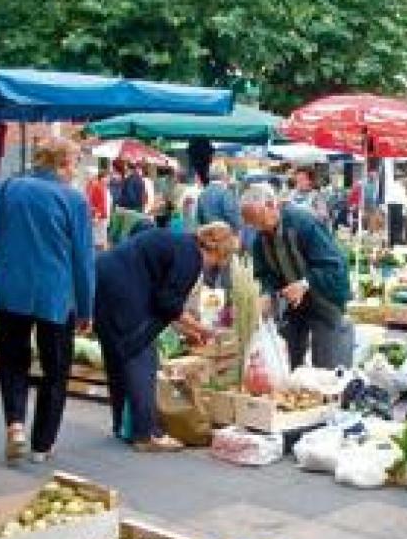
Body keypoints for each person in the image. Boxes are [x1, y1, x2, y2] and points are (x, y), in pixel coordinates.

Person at [0, 137, 95, 464]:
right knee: (55, 369)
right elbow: (83, 259)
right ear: (65, 164)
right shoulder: (74, 200)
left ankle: (15, 424)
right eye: (74, 164)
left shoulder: (8, 188)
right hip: (55, 293)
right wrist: (85, 307)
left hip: (9, 288)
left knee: (12, 360)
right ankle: (43, 444)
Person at [94, 224, 231, 452]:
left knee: (118, 355)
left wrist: (189, 330)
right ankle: (146, 434)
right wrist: (202, 329)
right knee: (141, 354)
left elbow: (165, 302)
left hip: (104, 281)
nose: (213, 267)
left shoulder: (178, 242)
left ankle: (123, 425)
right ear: (217, 252)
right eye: (217, 263)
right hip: (124, 293)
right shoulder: (191, 257)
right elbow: (168, 303)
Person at [241, 183, 353, 369]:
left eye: (258, 220)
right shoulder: (261, 238)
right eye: (252, 224)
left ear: (271, 205)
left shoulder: (304, 222)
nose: (257, 228)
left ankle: (328, 393)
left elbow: (334, 267)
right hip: (293, 305)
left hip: (325, 299)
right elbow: (264, 274)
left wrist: (304, 283)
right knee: (288, 363)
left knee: (327, 367)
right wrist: (267, 293)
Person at [195, 162, 241, 230]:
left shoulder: (202, 194)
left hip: (208, 234)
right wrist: (237, 227)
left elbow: (199, 217)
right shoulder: (226, 193)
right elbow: (231, 214)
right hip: (224, 234)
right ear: (224, 175)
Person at [86, 166, 111, 251]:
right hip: (100, 217)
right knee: (99, 240)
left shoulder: (103, 187)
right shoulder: (98, 187)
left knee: (102, 239)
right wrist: (96, 215)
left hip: (103, 216)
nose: (108, 179)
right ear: (102, 178)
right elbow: (95, 202)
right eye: (107, 178)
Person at [385, 174, 407, 246]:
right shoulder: (402, 188)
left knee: (391, 226)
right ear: (400, 179)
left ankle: (391, 242)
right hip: (399, 207)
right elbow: (404, 199)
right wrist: (405, 210)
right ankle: (397, 242)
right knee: (398, 226)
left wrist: (386, 208)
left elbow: (387, 198)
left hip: (391, 207)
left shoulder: (390, 187)